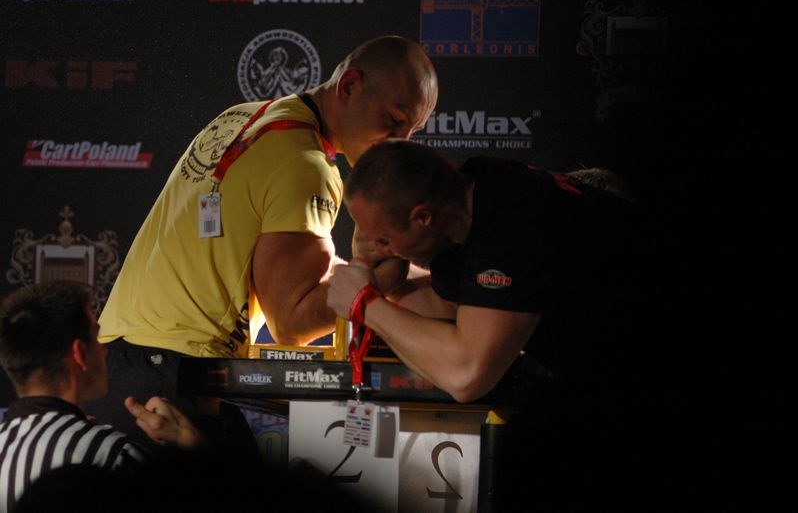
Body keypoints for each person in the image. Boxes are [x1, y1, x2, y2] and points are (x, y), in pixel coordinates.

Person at [82, 35, 438, 445]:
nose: (400, 140)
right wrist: (378, 280)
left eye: (412, 129)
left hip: (116, 364)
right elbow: (291, 322)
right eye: (393, 119)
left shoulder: (243, 117)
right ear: (350, 85)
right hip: (176, 378)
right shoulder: (305, 165)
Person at [327, 140, 668, 508]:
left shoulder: (514, 222)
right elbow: (444, 316)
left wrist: (365, 303)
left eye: (384, 240)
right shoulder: (470, 205)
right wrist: (385, 286)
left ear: (422, 217)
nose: (380, 249)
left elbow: (467, 374)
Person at [0, 280, 206, 513]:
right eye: (97, 337)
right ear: (80, 353)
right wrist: (189, 443)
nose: (105, 350)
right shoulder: (116, 457)